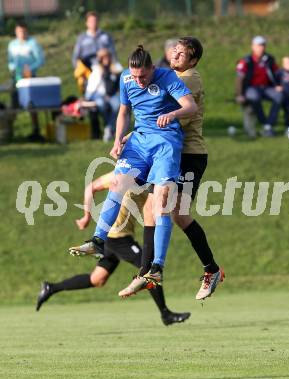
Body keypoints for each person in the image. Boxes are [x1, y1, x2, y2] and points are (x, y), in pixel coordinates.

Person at [69, 46, 197, 290]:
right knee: (117, 183)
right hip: (138, 142)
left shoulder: (167, 77)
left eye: (143, 76)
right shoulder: (126, 79)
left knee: (161, 200)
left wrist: (173, 114)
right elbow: (123, 111)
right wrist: (117, 139)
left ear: (152, 68)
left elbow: (190, 106)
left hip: (165, 144)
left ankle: (157, 267)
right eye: (135, 76)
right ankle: (98, 240)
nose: (139, 81)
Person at [118, 37, 224, 301]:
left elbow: (162, 112)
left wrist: (134, 133)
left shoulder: (189, 78)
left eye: (183, 53)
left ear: (193, 60)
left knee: (177, 213)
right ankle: (146, 273)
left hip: (189, 154)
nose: (176, 54)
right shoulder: (167, 77)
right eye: (175, 50)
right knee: (152, 208)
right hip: (168, 152)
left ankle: (212, 271)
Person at [36, 172, 190, 326]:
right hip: (117, 237)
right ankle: (165, 314)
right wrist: (86, 216)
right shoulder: (124, 173)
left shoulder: (153, 174)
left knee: (97, 279)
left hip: (118, 237)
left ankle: (51, 288)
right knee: (149, 269)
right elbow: (91, 187)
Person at [72, 11, 119, 139]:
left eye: (95, 20)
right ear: (86, 23)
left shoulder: (105, 36)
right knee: (95, 103)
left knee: (114, 101)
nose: (93, 23)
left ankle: (109, 128)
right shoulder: (82, 38)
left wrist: (114, 68)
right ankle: (99, 131)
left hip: (107, 71)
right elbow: (75, 58)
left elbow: (113, 54)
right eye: (91, 21)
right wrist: (80, 74)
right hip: (89, 74)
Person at [235, 36, 282, 137]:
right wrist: (239, 95)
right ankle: (265, 122)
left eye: (263, 45)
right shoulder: (246, 60)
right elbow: (239, 79)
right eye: (259, 45)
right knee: (254, 97)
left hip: (266, 88)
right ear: (253, 47)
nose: (261, 48)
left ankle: (268, 125)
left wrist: (278, 85)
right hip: (251, 88)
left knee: (279, 96)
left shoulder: (269, 59)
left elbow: (277, 73)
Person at [7, 21, 45, 141]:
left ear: (27, 31)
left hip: (30, 78)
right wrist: (14, 69)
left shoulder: (33, 43)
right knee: (14, 104)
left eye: (23, 31)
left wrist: (30, 68)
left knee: (32, 105)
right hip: (16, 78)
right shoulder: (12, 45)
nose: (21, 34)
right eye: (19, 31)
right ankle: (8, 131)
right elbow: (10, 61)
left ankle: (35, 130)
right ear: (16, 32)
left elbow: (40, 60)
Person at [85, 48, 123, 142]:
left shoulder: (116, 68)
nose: (106, 59)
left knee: (117, 105)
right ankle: (110, 128)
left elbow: (120, 84)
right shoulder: (97, 69)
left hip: (113, 94)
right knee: (101, 104)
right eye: (103, 57)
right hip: (98, 94)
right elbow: (92, 87)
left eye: (107, 57)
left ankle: (108, 128)